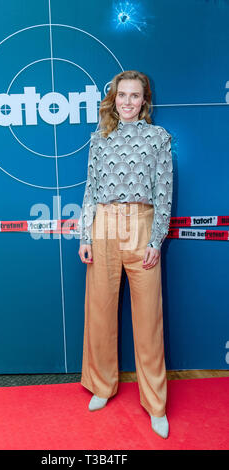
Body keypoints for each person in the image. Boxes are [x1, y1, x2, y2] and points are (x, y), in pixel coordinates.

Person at [78, 70, 173, 439]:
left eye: (135, 96)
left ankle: (156, 404)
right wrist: (85, 234)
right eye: (123, 96)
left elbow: (164, 191)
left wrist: (156, 240)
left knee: (149, 319)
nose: (128, 102)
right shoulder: (98, 139)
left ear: (144, 101)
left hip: (142, 224)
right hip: (103, 222)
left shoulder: (159, 138)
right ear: (114, 99)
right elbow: (90, 189)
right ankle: (102, 386)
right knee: (100, 311)